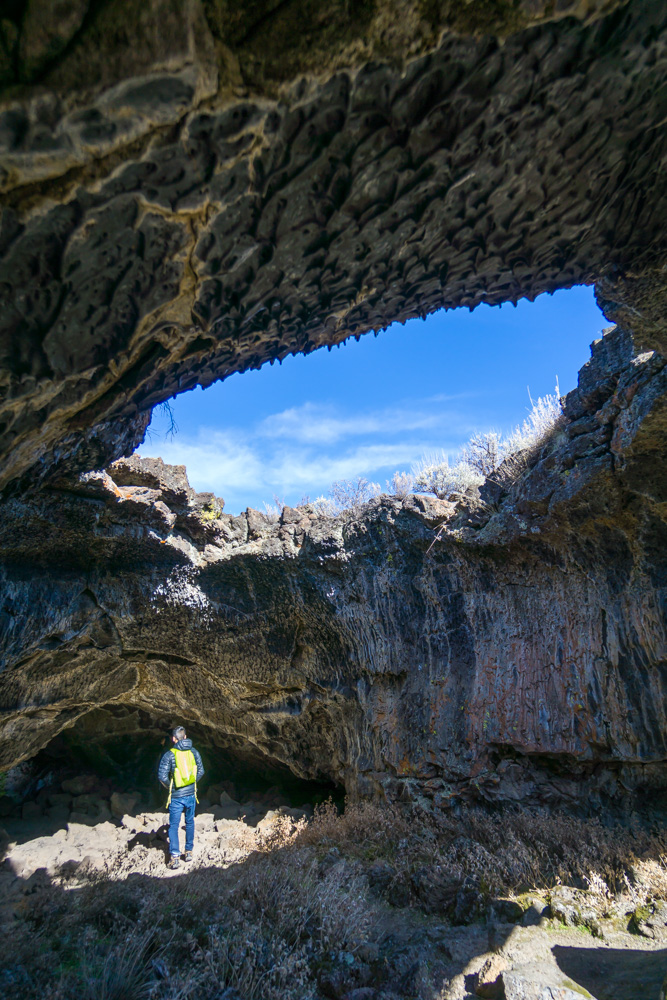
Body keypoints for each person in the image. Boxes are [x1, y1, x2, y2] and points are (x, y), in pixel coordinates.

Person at [158, 726, 205, 869]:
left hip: (177, 796)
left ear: (173, 739)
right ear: (185, 737)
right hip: (191, 794)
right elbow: (201, 770)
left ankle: (175, 857)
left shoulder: (169, 754)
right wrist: (191, 783)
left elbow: (162, 776)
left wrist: (171, 787)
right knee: (189, 822)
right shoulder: (194, 751)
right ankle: (189, 852)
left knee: (173, 826)